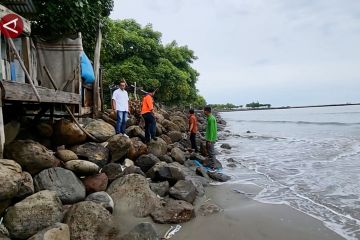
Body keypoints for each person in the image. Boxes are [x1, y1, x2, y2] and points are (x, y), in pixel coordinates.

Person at [204, 106, 217, 170]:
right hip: (209, 138)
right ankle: (211, 164)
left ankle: (213, 166)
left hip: (210, 139)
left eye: (204, 111)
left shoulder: (211, 119)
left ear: (206, 111)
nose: (203, 112)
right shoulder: (210, 117)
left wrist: (210, 140)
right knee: (209, 151)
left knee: (211, 152)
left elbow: (211, 130)